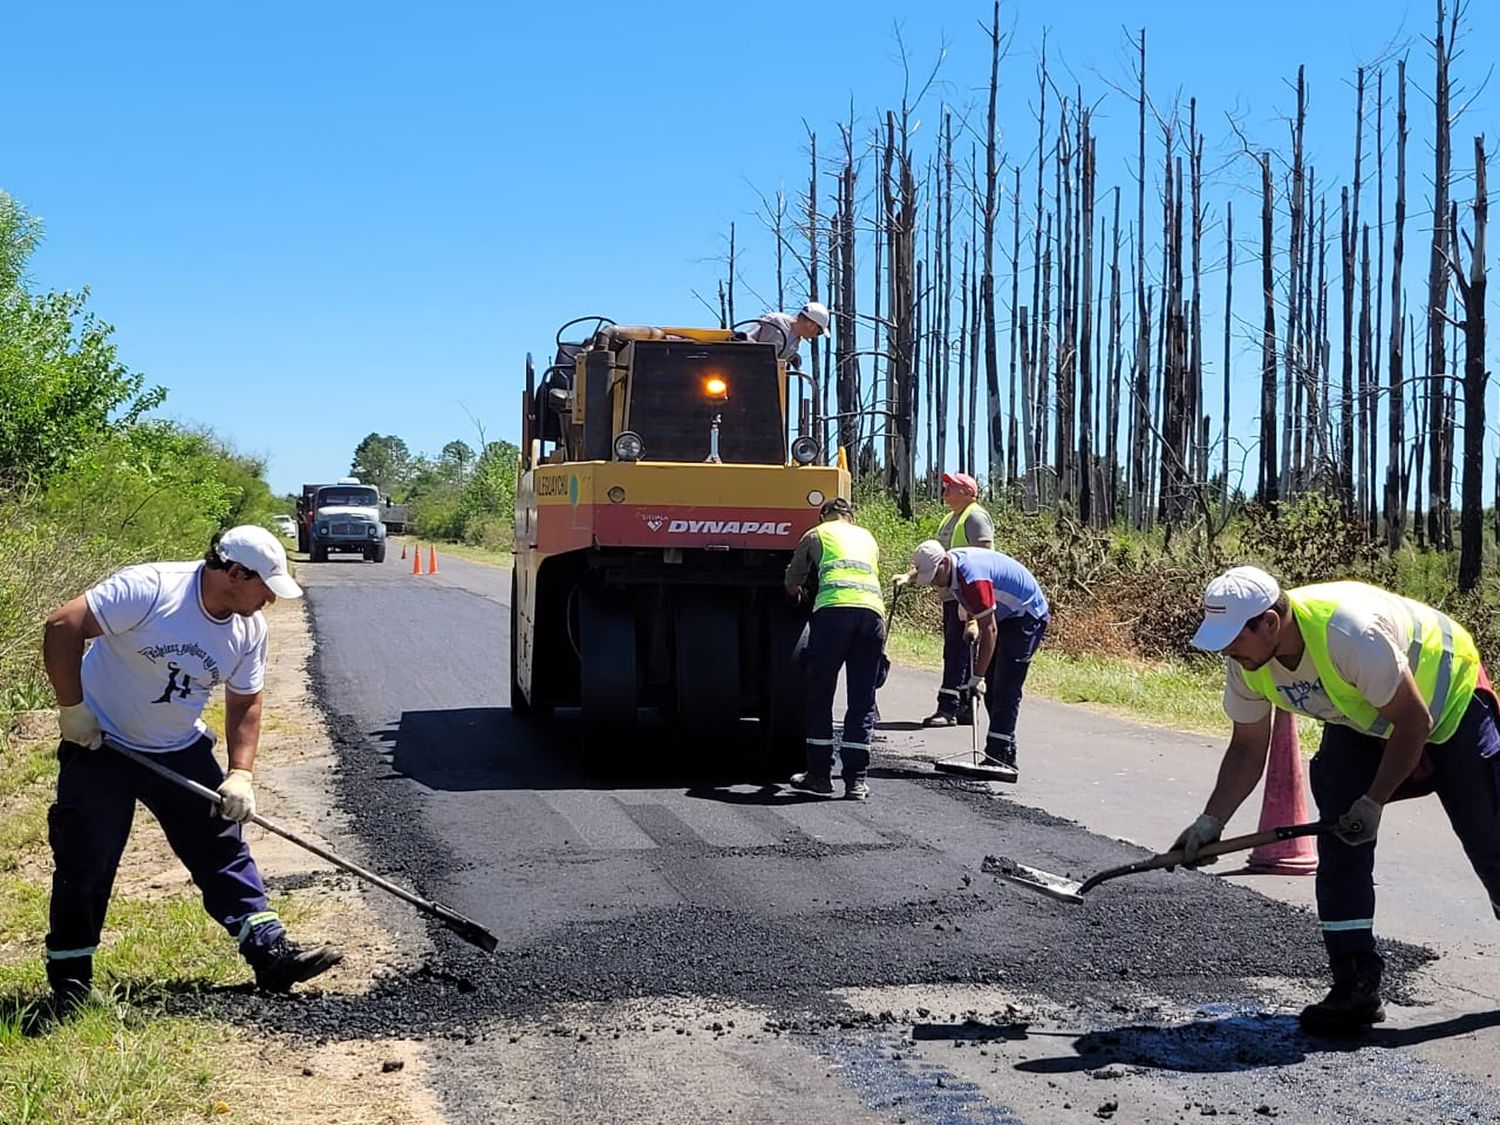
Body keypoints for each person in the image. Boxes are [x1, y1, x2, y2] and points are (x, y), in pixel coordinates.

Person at [1175, 565, 1500, 1036]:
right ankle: (1355, 984)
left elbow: (1414, 722)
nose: (1226, 648)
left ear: (1269, 623)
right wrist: (1211, 821)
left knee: (1489, 841)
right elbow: (1247, 746)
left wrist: (1373, 802)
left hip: (1448, 704)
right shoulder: (1246, 662)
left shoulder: (1350, 632)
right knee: (1341, 843)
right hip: (1362, 720)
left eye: (1232, 637)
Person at [40, 526, 343, 1011]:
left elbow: (245, 703)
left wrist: (240, 772)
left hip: (177, 747)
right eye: (263, 586)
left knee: (221, 846)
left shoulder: (249, 630)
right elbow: (62, 627)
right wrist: (72, 710)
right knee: (87, 857)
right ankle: (72, 982)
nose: (269, 599)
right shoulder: (151, 589)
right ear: (235, 572)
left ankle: (271, 954)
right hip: (100, 744)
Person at [906, 541, 1048, 780]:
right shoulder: (955, 571)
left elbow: (990, 629)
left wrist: (977, 676)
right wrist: (970, 622)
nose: (932, 583)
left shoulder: (972, 576)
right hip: (1005, 616)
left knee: (1004, 686)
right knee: (994, 688)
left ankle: (999, 754)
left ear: (943, 564)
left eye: (933, 577)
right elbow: (976, 607)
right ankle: (1002, 753)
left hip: (1026, 615)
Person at [783, 496, 884, 800]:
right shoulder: (867, 537)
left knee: (821, 693)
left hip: (833, 614)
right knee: (862, 700)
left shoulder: (817, 534)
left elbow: (793, 579)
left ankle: (819, 776)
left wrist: (796, 591)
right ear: (850, 516)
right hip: (872, 616)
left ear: (824, 515)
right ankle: (856, 782)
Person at [899, 472, 994, 727]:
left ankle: (948, 709)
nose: (946, 490)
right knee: (959, 650)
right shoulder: (950, 518)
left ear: (966, 491)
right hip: (952, 594)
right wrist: (910, 576)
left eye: (951, 487)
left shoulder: (975, 516)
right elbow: (938, 560)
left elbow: (984, 557)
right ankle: (963, 707)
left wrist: (974, 608)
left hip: (966, 593)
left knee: (956, 650)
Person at [738, 301, 830, 367]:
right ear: (811, 325)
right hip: (743, 369)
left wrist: (792, 357)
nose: (815, 336)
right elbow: (744, 339)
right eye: (819, 332)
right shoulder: (775, 321)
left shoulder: (796, 342)